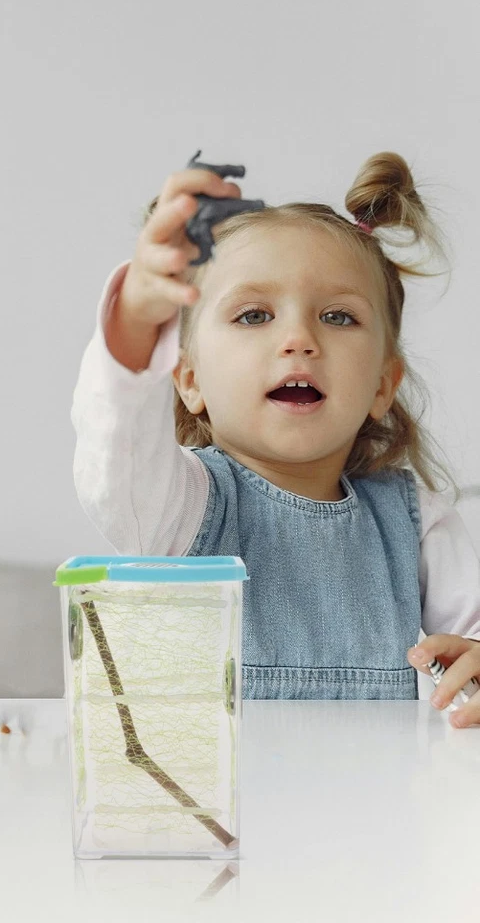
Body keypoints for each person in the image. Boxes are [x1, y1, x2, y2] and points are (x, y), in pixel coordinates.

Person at [72, 153, 480, 724]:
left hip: (377, 809)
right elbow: (115, 439)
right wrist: (138, 318)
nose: (298, 339)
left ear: (383, 385)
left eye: (338, 317)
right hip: (217, 812)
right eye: (253, 315)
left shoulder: (417, 521)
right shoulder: (177, 507)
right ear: (189, 380)